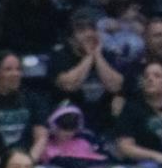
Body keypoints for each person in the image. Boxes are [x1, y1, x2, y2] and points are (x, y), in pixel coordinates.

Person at [51, 10, 124, 143]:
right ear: (71, 39)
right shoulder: (60, 56)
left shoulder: (108, 55)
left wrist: (98, 56)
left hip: (104, 121)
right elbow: (69, 85)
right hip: (70, 124)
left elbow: (115, 86)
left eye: (92, 29)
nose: (89, 34)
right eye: (82, 31)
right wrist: (89, 56)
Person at [0, 51, 49, 167]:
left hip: (27, 163)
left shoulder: (33, 99)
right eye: (8, 69)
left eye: (18, 69)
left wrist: (27, 165)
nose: (15, 74)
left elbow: (41, 137)